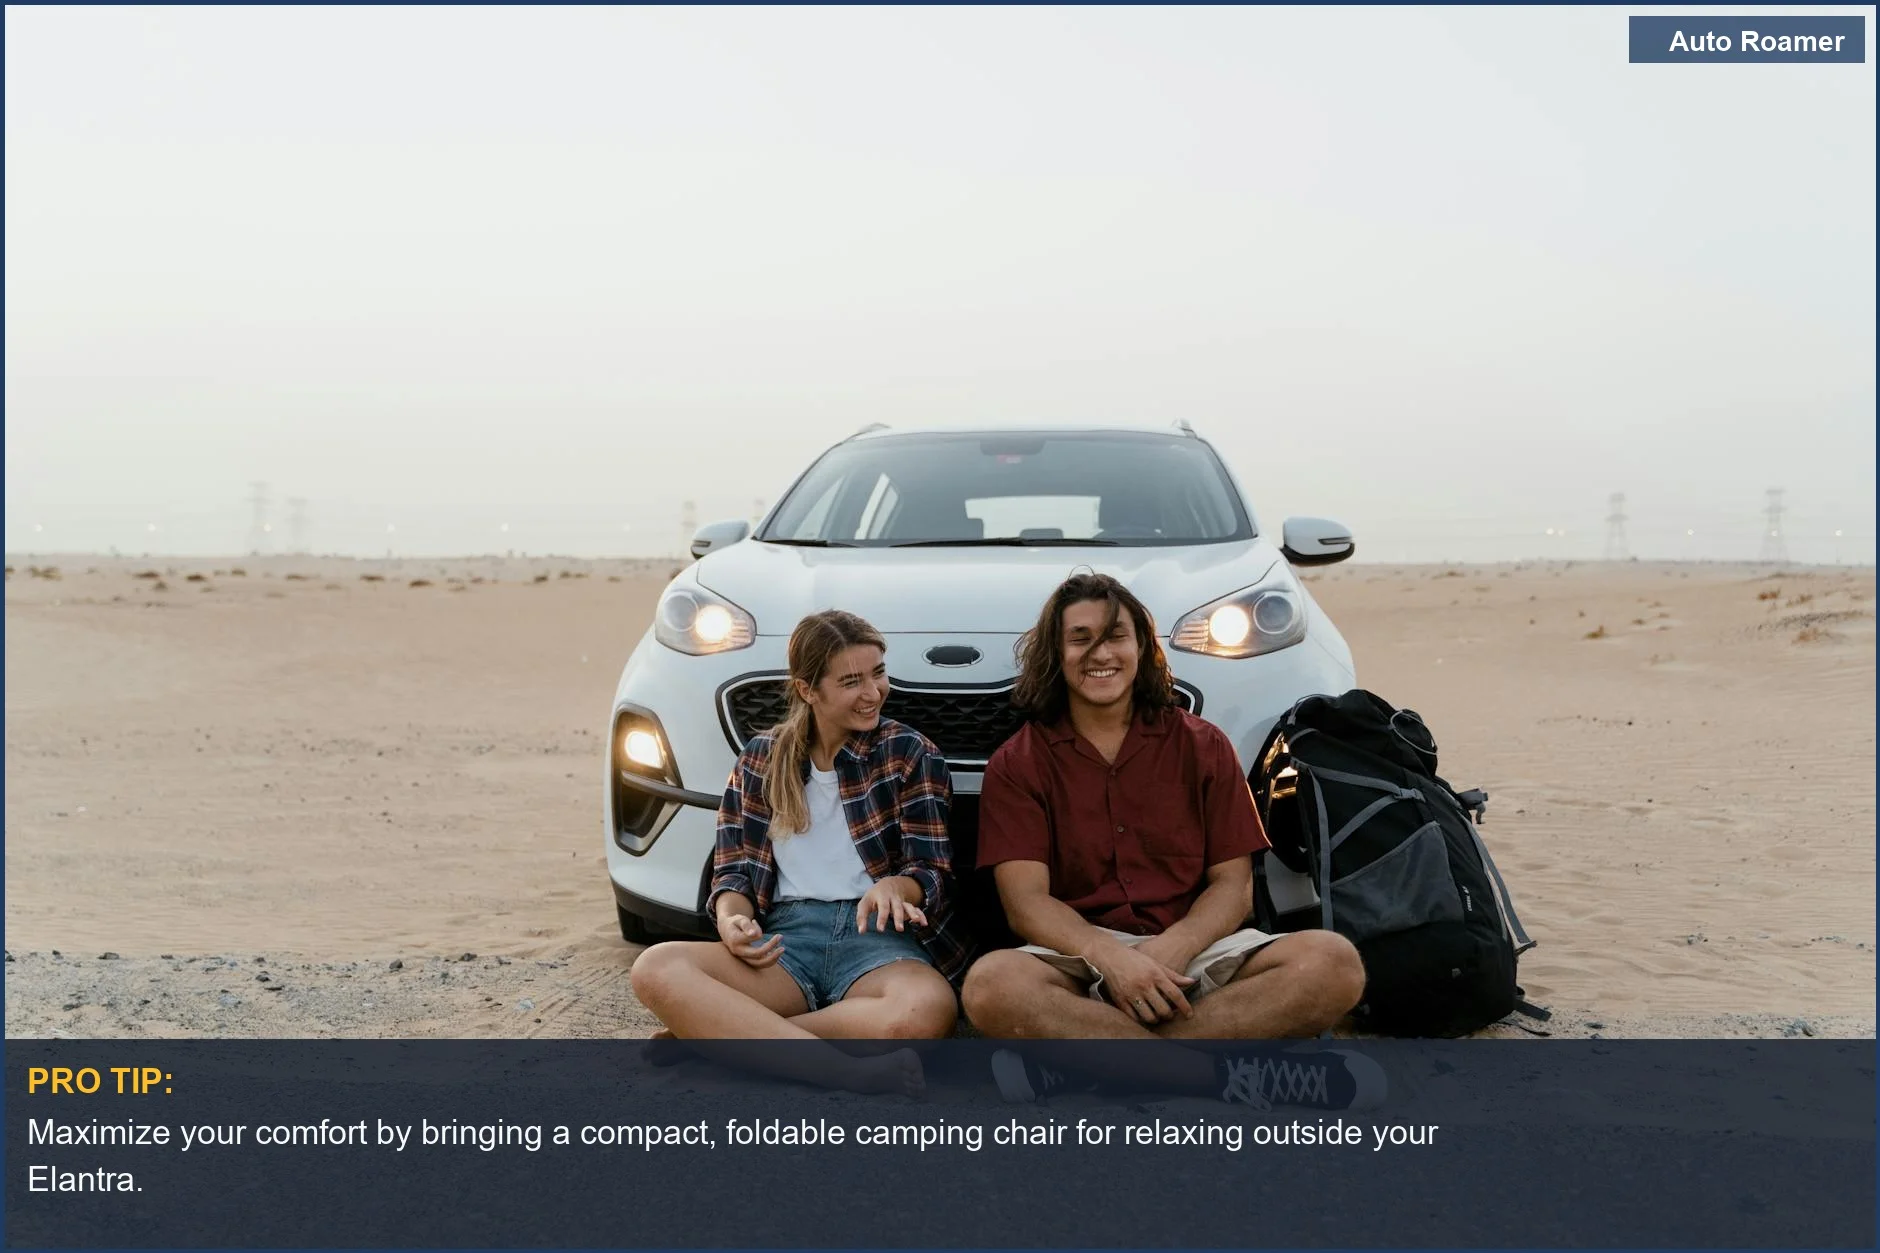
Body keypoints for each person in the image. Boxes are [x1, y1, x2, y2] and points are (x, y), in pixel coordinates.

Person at [960, 572, 1383, 1110]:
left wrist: (1170, 951)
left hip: (1195, 949)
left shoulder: (1204, 745)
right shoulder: (1018, 763)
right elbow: (1026, 903)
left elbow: (1234, 888)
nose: (1100, 654)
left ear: (1141, 647)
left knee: (1333, 964)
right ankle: (1225, 1078)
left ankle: (1082, 1064)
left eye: (1116, 636)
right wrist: (1112, 958)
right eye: (1080, 638)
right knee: (992, 985)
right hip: (1079, 955)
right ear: (1056, 655)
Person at [630, 609, 970, 1096]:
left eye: (877, 673)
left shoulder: (910, 752)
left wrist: (896, 887)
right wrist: (731, 919)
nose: (873, 692)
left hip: (878, 941)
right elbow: (733, 873)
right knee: (656, 967)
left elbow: (931, 869)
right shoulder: (760, 758)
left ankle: (724, 1040)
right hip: (785, 943)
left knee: (925, 1012)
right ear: (808, 689)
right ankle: (845, 1071)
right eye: (851, 681)